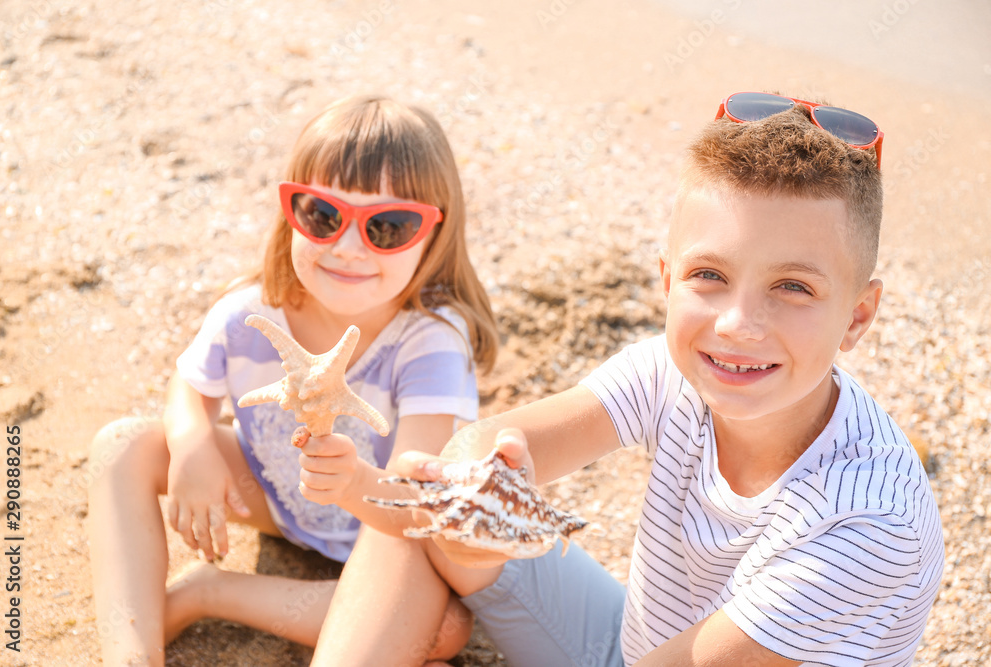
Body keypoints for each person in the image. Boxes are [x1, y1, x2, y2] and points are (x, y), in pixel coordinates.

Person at [311, 92, 945, 666]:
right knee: (428, 505)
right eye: (710, 276)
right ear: (667, 280)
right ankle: (216, 591)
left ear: (857, 316)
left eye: (793, 287)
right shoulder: (672, 371)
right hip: (627, 644)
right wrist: (479, 491)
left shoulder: (871, 523)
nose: (737, 324)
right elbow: (494, 441)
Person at [87, 94, 496, 666]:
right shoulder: (249, 315)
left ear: (432, 234)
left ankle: (210, 590)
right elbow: (191, 387)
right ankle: (131, 654)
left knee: (446, 630)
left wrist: (354, 482)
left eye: (388, 226)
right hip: (276, 497)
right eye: (323, 216)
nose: (349, 247)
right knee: (123, 445)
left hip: (385, 540)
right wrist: (194, 445)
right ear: (290, 211)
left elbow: (418, 502)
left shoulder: (429, 344)